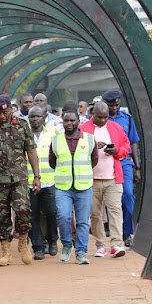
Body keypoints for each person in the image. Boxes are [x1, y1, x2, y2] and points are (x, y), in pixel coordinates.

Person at [0, 95, 41, 267]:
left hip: (19, 177)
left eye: (5, 112)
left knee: (23, 209)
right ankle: (6, 252)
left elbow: (31, 151)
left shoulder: (21, 125)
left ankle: (23, 242)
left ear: (11, 109)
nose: (2, 116)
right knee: (2, 215)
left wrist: (36, 176)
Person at [81, 102, 131, 258]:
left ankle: (116, 244)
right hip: (91, 179)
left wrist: (116, 150)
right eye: (99, 117)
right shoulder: (83, 130)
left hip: (113, 178)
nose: (103, 120)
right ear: (92, 114)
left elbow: (125, 148)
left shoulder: (115, 128)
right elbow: (77, 150)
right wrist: (92, 147)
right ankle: (100, 245)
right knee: (95, 213)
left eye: (105, 117)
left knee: (115, 210)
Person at [49, 111, 98, 264]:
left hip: (83, 186)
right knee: (63, 217)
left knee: (83, 221)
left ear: (78, 121)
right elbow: (52, 162)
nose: (69, 123)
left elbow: (94, 160)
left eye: (72, 120)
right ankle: (66, 245)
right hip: (63, 187)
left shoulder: (90, 139)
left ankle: (81, 252)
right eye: (66, 121)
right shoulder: (56, 140)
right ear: (62, 122)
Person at [102, 90, 141, 247]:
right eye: (111, 105)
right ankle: (113, 227)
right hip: (106, 161)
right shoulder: (100, 119)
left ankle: (127, 232)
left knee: (128, 194)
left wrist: (137, 167)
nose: (114, 108)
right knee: (108, 195)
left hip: (124, 161)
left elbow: (133, 142)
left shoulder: (127, 119)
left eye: (117, 105)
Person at [27, 105, 58, 260]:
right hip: (29, 183)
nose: (35, 119)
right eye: (32, 116)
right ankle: (38, 247)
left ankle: (52, 240)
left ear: (44, 117)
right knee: (32, 217)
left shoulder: (53, 134)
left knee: (51, 212)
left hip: (50, 182)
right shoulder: (24, 134)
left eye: (38, 116)